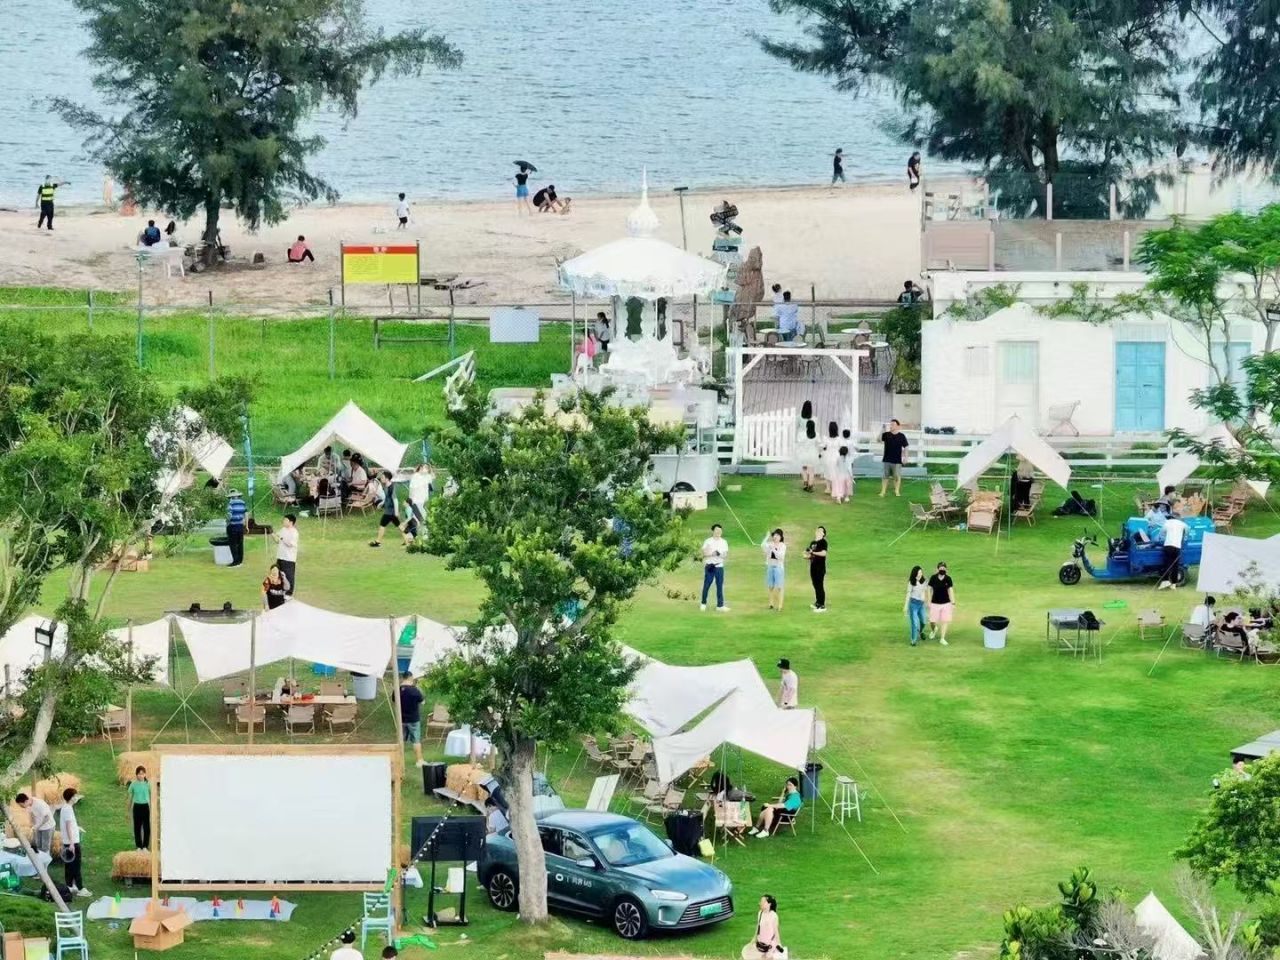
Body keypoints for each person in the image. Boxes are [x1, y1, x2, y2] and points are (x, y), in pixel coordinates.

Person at [60, 787, 89, 898]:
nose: (76, 797)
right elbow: (68, 826)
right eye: (75, 796)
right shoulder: (67, 809)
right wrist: (72, 843)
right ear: (71, 798)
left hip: (69, 842)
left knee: (69, 865)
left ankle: (70, 886)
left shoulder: (66, 808)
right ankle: (80, 888)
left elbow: (70, 824)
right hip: (72, 843)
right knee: (76, 865)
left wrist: (77, 828)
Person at [700, 523, 730, 612]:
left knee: (720, 586)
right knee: (707, 585)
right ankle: (703, 603)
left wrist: (719, 554)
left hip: (719, 566)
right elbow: (704, 553)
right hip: (710, 566)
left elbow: (725, 554)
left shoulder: (724, 542)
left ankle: (720, 606)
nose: (718, 532)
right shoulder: (708, 541)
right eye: (717, 530)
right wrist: (711, 554)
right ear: (713, 531)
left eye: (720, 530)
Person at [398, 672, 426, 766]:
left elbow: (395, 701)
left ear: (403, 678)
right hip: (413, 719)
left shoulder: (397, 689)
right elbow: (422, 702)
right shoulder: (415, 690)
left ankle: (399, 760)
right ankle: (419, 761)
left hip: (401, 719)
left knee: (401, 741)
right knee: (416, 741)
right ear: (410, 678)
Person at [370, 470, 401, 547]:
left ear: (387, 479)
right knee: (399, 526)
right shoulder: (386, 486)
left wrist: (396, 512)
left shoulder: (391, 487)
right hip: (389, 511)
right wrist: (381, 504)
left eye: (382, 477)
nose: (381, 478)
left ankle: (378, 542)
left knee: (383, 524)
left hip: (390, 512)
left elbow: (395, 500)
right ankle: (408, 540)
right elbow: (387, 498)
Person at [927, 561, 955, 645]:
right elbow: (929, 589)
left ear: (946, 569)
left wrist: (953, 603)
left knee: (945, 621)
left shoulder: (948, 579)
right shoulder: (933, 578)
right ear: (937, 569)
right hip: (934, 603)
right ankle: (934, 630)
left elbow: (950, 590)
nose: (942, 569)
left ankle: (942, 638)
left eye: (944, 568)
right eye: (940, 568)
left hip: (946, 603)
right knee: (932, 620)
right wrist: (928, 601)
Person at [879, 419, 909, 497]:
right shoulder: (886, 434)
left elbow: (906, 447)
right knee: (885, 476)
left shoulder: (901, 436)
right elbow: (879, 439)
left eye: (893, 424)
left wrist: (906, 457)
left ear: (897, 426)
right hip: (887, 459)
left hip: (897, 460)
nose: (891, 426)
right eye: (890, 424)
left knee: (896, 476)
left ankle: (897, 491)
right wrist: (882, 429)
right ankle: (883, 491)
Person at [1158, 514, 1188, 590]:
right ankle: (1173, 584)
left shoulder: (1167, 522)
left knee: (1167, 563)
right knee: (1175, 565)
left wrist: (1166, 535)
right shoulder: (1183, 524)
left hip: (1168, 545)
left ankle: (1165, 581)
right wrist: (1183, 537)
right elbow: (1187, 532)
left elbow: (1161, 533)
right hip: (1177, 546)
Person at [127, 765, 152, 850]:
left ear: (145, 774)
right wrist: (128, 808)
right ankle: (138, 846)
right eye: (139, 774)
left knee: (146, 827)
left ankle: (145, 846)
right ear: (136, 775)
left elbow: (152, 796)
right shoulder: (133, 784)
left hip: (145, 806)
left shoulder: (148, 784)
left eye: (142, 774)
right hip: (137, 806)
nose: (140, 775)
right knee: (137, 827)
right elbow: (130, 797)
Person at [761, 528, 787, 610]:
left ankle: (780, 605)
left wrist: (773, 549)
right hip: (770, 566)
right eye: (774, 535)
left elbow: (780, 557)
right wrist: (767, 536)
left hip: (778, 568)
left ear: (781, 537)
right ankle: (771, 604)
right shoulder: (770, 544)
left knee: (780, 587)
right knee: (770, 586)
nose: (775, 537)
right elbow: (762, 545)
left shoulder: (782, 545)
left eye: (778, 535)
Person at [805, 526, 828, 612]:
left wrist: (813, 552)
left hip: (820, 568)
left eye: (821, 530)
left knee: (819, 586)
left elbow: (824, 553)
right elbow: (812, 555)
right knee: (815, 585)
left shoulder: (823, 542)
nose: (818, 531)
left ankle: (822, 605)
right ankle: (818, 602)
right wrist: (807, 556)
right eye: (817, 529)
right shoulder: (813, 543)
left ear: (823, 534)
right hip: (813, 567)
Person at [275, 513, 299, 595]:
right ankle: (281, 590)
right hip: (280, 556)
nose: (283, 521)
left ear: (291, 522)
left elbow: (289, 544)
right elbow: (277, 540)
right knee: (279, 574)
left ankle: (289, 593)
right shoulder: (283, 529)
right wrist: (272, 533)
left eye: (285, 520)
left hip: (289, 558)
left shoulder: (294, 532)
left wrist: (281, 537)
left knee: (288, 576)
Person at [905, 564, 928, 646]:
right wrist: (905, 606)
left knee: (924, 621)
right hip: (913, 604)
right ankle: (913, 640)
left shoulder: (924, 581)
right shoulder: (911, 582)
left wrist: (924, 598)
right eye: (919, 573)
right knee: (914, 623)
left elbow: (924, 591)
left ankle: (921, 631)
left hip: (921, 604)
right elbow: (908, 594)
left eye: (921, 572)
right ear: (915, 573)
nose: (920, 574)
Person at [796, 417, 820, 492]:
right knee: (811, 471)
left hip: (804, 454)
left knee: (804, 469)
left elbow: (799, 443)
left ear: (806, 426)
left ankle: (805, 483)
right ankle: (810, 486)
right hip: (813, 454)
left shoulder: (802, 434)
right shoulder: (817, 434)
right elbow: (819, 444)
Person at [225, 488, 247, 567]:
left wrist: (227, 523)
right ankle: (240, 561)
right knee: (240, 544)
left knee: (233, 544)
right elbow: (245, 514)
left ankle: (235, 562)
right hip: (240, 526)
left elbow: (229, 516)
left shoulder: (230, 503)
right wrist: (246, 525)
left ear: (231, 497)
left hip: (232, 526)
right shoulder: (243, 503)